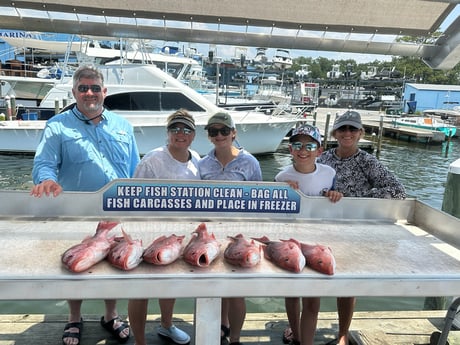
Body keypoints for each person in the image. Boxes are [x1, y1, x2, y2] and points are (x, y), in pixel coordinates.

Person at [30, 65, 139, 345]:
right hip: (76, 212)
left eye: (94, 88)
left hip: (116, 210)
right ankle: (74, 318)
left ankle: (110, 315)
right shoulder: (57, 126)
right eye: (83, 88)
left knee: (115, 263)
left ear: (104, 92)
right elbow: (44, 164)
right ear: (74, 92)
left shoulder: (123, 126)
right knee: (75, 266)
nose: (89, 93)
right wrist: (46, 181)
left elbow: (134, 169)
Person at [317, 109, 406, 345]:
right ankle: (302, 328)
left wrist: (356, 197)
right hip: (321, 225)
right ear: (335, 132)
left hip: (352, 229)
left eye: (352, 129)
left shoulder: (368, 161)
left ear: (360, 133)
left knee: (347, 283)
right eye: (343, 128)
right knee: (311, 277)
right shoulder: (322, 159)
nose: (347, 133)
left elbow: (397, 191)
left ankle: (343, 335)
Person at [128, 109, 198, 345]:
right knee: (141, 290)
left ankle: (167, 325)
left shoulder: (197, 159)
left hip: (179, 234)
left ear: (194, 135)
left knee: (170, 283)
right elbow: (133, 195)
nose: (181, 133)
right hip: (148, 232)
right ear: (167, 133)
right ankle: (139, 341)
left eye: (186, 129)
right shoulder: (152, 159)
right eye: (175, 129)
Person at [198, 111, 262, 345]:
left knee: (236, 289)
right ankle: (220, 327)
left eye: (224, 131)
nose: (219, 135)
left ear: (234, 133)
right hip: (212, 234)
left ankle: (234, 338)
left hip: (240, 233)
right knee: (214, 283)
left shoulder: (250, 162)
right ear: (209, 136)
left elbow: (259, 198)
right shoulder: (202, 163)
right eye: (214, 131)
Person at [275, 124, 342, 345]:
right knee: (292, 293)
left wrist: (334, 194)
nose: (303, 150)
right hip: (291, 240)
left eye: (309, 145)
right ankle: (294, 331)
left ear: (319, 150)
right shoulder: (281, 176)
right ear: (290, 149)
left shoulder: (329, 173)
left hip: (319, 239)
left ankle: (307, 342)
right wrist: (283, 190)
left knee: (313, 298)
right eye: (297, 145)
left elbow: (331, 199)